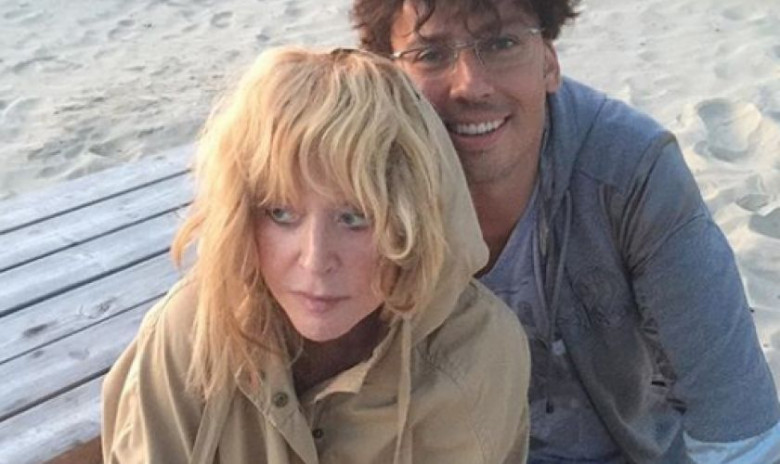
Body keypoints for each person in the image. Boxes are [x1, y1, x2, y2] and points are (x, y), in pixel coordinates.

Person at [351, 0, 780, 462]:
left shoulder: (629, 172)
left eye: (501, 43)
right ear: (385, 76)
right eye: (430, 54)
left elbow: (738, 430)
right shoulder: (350, 190)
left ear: (549, 62)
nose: (471, 85)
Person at [101, 46, 531, 463]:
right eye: (281, 213)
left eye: (355, 217)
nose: (315, 259)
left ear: (413, 221)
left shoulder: (476, 357)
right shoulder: (189, 334)